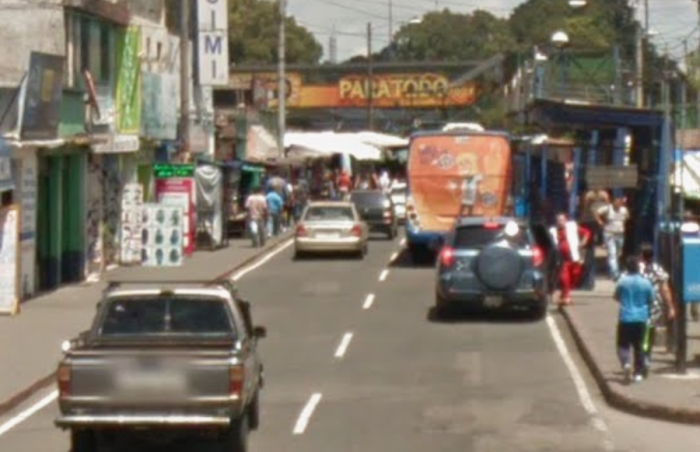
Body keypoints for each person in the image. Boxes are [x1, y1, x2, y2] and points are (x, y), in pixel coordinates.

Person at [614, 255, 656, 384]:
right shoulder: (646, 282)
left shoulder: (622, 282)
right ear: (638, 268)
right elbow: (651, 298)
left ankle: (626, 363)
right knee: (639, 346)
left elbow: (616, 296)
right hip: (641, 318)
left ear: (627, 268)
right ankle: (638, 373)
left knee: (622, 345)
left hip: (625, 317)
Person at [638, 243, 676, 367]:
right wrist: (670, 307)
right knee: (649, 331)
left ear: (641, 255)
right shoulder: (658, 269)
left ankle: (641, 354)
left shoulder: (636, 268)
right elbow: (665, 289)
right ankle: (646, 354)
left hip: (637, 304)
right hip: (654, 305)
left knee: (639, 331)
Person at [550, 213, 592, 306]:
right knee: (565, 279)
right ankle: (566, 298)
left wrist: (583, 241)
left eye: (562, 220)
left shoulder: (572, 227)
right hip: (562, 260)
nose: (560, 222)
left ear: (566, 221)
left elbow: (587, 232)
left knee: (574, 278)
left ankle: (564, 295)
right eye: (558, 220)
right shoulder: (553, 231)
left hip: (574, 258)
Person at [595, 195, 630, 280]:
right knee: (612, 254)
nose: (618, 204)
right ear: (613, 202)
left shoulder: (624, 209)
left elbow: (627, 217)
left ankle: (611, 272)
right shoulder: (607, 208)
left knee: (618, 254)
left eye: (619, 202)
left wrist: (622, 223)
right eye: (616, 202)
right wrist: (600, 221)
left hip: (620, 234)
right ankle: (615, 273)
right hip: (609, 234)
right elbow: (596, 212)